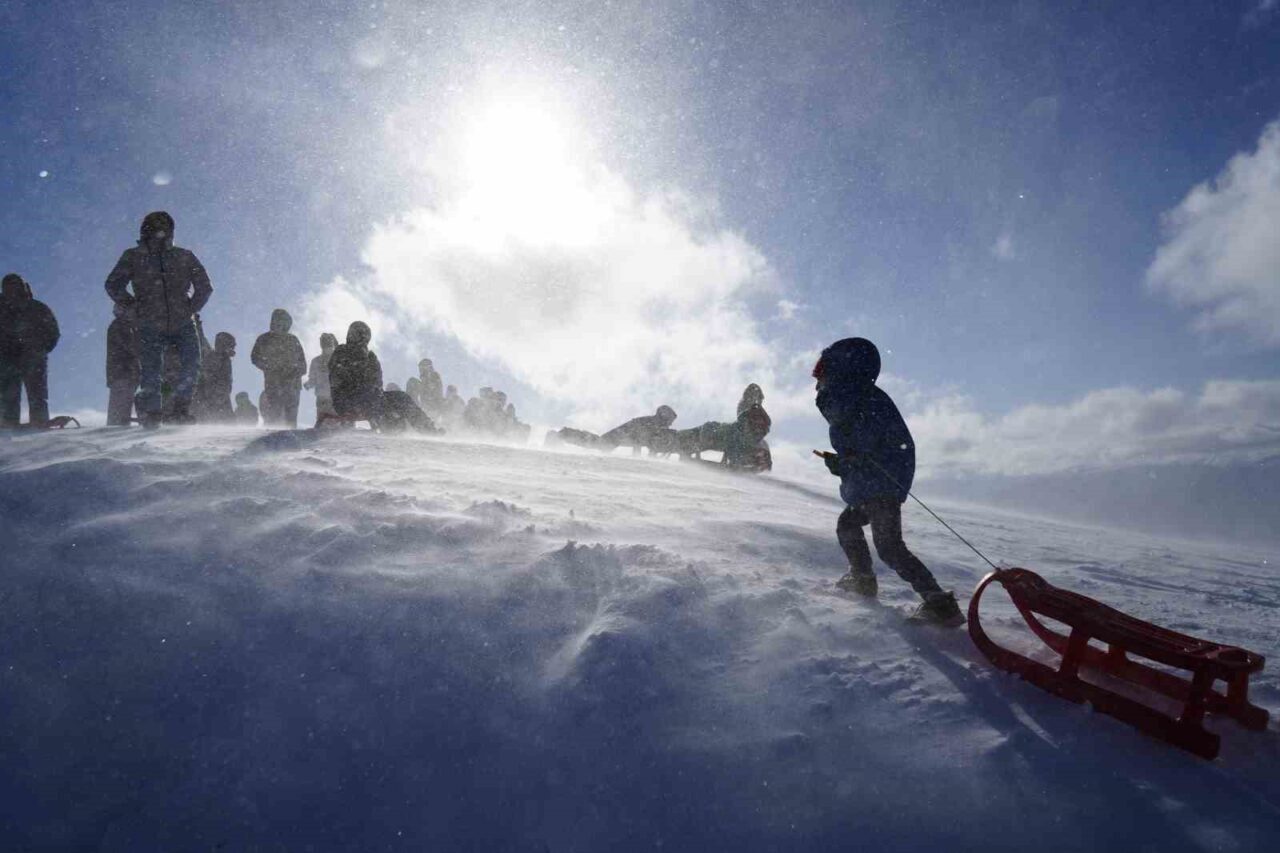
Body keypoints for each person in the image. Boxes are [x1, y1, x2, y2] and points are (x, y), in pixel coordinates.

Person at [814, 337, 962, 626]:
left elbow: (868, 450)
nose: (816, 379)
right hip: (876, 484)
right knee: (849, 525)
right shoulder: (858, 399)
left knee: (889, 546)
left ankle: (939, 604)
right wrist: (842, 463)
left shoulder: (859, 401)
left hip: (880, 486)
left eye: (821, 370)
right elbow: (863, 450)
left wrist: (843, 463)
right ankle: (862, 578)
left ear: (840, 370)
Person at [104, 211, 212, 428]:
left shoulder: (183, 255)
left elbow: (205, 287)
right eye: (154, 227)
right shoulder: (133, 256)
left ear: (170, 230)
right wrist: (135, 307)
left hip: (182, 323)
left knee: (191, 363)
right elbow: (113, 284)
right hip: (150, 324)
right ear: (146, 230)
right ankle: (152, 411)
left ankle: (180, 408)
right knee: (151, 369)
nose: (159, 231)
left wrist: (189, 309)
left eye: (163, 226)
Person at [0, 273, 60, 427]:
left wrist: (38, 350)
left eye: (15, 286)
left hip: (31, 358)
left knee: (34, 396)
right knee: (10, 397)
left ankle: (36, 425)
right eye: (9, 287)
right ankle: (9, 426)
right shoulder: (37, 307)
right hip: (8, 359)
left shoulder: (37, 308)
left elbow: (53, 332)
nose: (12, 290)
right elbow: (53, 332)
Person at [250, 308, 307, 428]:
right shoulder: (264, 339)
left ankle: (290, 436)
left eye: (283, 322)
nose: (280, 324)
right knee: (275, 413)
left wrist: (294, 372)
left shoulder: (293, 340)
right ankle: (274, 436)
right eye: (277, 321)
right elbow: (255, 357)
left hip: (292, 384)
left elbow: (302, 364)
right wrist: (269, 366)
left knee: (290, 416)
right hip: (273, 383)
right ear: (273, 321)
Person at [328, 321, 383, 422]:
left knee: (400, 398)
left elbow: (378, 382)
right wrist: (356, 367)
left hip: (370, 401)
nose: (351, 335)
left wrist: (377, 397)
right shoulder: (341, 351)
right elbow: (336, 375)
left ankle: (411, 427)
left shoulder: (370, 357)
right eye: (351, 333)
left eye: (355, 333)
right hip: (346, 401)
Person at [105, 300, 140, 426]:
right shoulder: (121, 326)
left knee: (120, 413)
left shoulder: (125, 326)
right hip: (123, 373)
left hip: (124, 374)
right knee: (119, 416)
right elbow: (131, 347)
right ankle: (115, 433)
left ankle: (117, 430)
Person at [193, 327, 236, 423]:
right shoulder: (215, 357)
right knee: (216, 419)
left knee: (226, 419)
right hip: (213, 396)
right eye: (231, 345)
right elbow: (208, 378)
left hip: (219, 395)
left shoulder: (224, 358)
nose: (233, 348)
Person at [303, 332, 337, 426]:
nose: (327, 347)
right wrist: (309, 384)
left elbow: (313, 379)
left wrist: (309, 384)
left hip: (331, 397)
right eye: (325, 344)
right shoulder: (317, 361)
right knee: (327, 422)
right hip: (327, 397)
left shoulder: (337, 359)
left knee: (327, 422)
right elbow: (313, 379)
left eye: (328, 344)